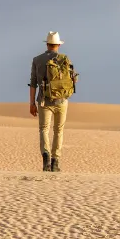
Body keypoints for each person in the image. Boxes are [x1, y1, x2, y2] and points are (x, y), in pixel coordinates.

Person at [29, 31, 77, 172]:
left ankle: (46, 157)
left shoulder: (37, 60)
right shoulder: (64, 58)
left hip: (44, 100)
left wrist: (32, 103)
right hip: (61, 101)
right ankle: (56, 161)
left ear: (48, 44)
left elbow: (33, 84)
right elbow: (73, 79)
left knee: (44, 129)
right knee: (58, 130)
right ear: (58, 45)